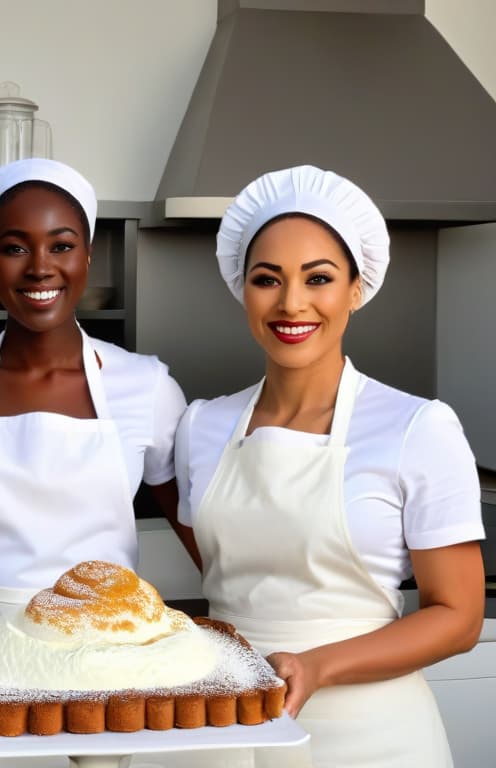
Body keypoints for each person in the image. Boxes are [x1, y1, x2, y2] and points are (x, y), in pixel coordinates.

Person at [174, 165, 485, 767]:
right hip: (227, 728)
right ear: (243, 290)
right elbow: (230, 581)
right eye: (268, 279)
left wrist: (315, 666)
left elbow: (459, 616)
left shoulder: (417, 427)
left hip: (373, 735)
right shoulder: (202, 426)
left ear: (355, 288)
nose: (292, 303)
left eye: (319, 278)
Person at [0, 158, 192, 622]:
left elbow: (204, 539)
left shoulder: (147, 388)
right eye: (15, 248)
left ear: (88, 256)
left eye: (61, 246)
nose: (40, 268)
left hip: (105, 649)